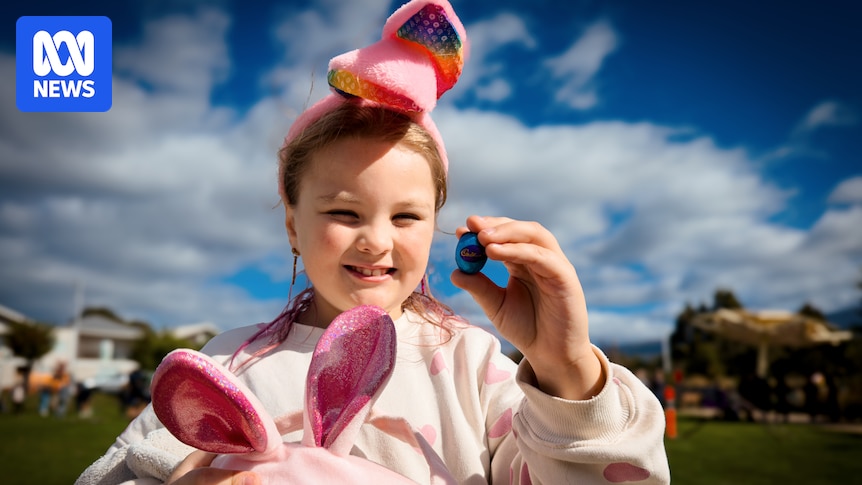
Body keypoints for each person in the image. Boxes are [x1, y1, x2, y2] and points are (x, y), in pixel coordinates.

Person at [76, 1, 669, 483]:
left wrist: (566, 371)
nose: (377, 241)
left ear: (435, 224)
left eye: (407, 217)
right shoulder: (228, 366)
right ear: (292, 224)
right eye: (344, 212)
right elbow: (118, 470)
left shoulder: (473, 365)